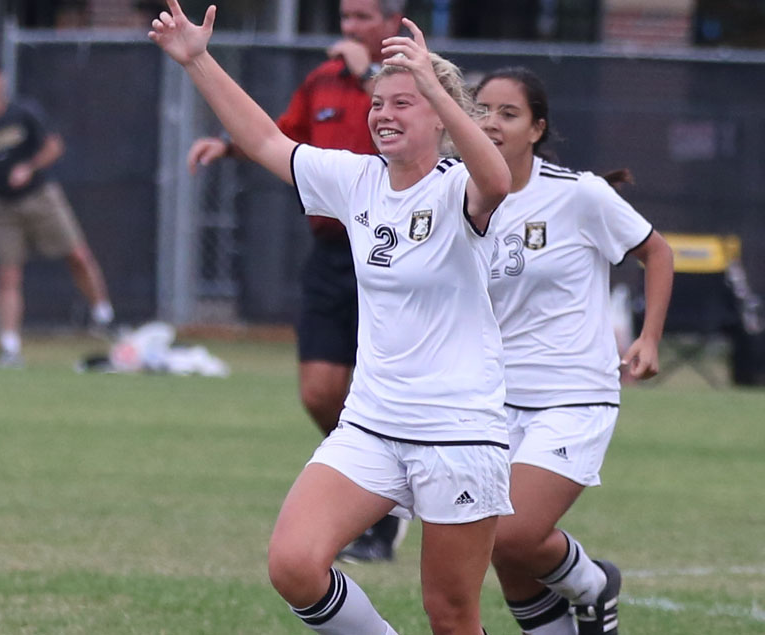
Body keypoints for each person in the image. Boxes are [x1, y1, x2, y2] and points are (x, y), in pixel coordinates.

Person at [150, 2, 513, 633]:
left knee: (451, 615)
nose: (383, 114)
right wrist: (198, 60)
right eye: (378, 103)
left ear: (438, 114)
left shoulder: (460, 187)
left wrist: (431, 80)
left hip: (458, 434)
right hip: (372, 424)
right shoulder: (357, 181)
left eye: (404, 102)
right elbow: (267, 140)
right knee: (293, 564)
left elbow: (499, 178)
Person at [186, 0, 407, 564]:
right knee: (319, 391)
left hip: (397, 260)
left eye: (363, 17)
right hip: (333, 255)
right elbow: (281, 138)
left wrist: (369, 75)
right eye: (346, 18)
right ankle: (378, 490)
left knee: (376, 392)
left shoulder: (414, 78)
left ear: (391, 21)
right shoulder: (321, 82)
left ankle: (386, 506)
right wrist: (228, 146)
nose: (351, 28)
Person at [475, 67, 674, 635]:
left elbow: (657, 253)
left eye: (508, 114)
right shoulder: (457, 194)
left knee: (511, 532)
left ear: (537, 128)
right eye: (482, 110)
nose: (491, 122)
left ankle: (593, 584)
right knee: (500, 548)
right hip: (490, 399)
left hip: (572, 394)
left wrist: (649, 337)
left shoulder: (577, 194)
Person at [0, 60, 114, 369]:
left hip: (41, 198)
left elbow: (54, 146)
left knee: (78, 256)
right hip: (3, 207)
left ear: (1, 82)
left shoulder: (23, 113)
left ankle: (104, 316)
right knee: (7, 275)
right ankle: (9, 345)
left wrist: (28, 167)